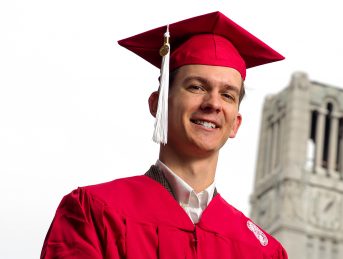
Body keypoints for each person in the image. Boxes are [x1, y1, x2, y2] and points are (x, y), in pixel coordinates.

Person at [41, 11, 287, 258]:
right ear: (158, 104)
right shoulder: (95, 212)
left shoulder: (262, 251)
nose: (213, 103)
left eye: (227, 95)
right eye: (197, 87)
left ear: (236, 123)